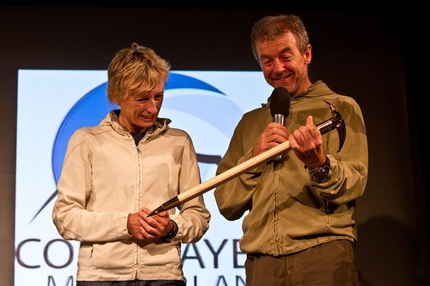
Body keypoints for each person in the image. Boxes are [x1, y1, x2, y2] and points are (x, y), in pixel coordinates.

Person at [213, 14, 368, 286]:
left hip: (322, 254)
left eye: (286, 56)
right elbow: (226, 201)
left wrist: (319, 164)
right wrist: (254, 159)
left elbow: (354, 184)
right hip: (262, 263)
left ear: (306, 54)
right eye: (267, 61)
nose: (278, 68)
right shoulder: (249, 123)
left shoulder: (341, 108)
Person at [52, 42, 211, 286]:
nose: (153, 107)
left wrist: (171, 228)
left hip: (164, 277)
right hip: (101, 277)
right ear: (117, 96)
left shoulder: (179, 142)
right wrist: (125, 224)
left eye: (158, 96)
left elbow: (198, 217)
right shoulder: (86, 141)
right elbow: (65, 217)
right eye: (142, 98)